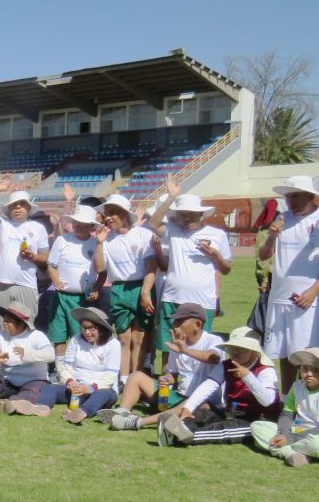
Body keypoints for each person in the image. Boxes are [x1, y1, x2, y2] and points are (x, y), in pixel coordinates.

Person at [257, 175, 319, 394]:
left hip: (307, 301)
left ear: (311, 196)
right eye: (289, 196)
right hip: (279, 297)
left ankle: (306, 400)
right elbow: (263, 256)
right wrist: (272, 236)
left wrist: (315, 290)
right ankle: (286, 400)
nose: (291, 201)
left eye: (296, 196)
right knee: (284, 354)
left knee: (306, 355)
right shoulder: (282, 218)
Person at [146, 181, 232, 369]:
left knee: (199, 345)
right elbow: (153, 223)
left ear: (201, 214)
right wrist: (171, 197)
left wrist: (214, 254)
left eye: (191, 214)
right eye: (182, 214)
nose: (186, 218)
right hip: (172, 298)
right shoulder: (173, 231)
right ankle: (166, 386)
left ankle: (194, 385)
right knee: (169, 347)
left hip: (202, 301)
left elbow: (226, 269)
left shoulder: (217, 235)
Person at [103, 303, 225, 431]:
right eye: (175, 321)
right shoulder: (178, 344)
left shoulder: (213, 340)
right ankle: (123, 411)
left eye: (180, 322)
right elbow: (173, 374)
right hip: (180, 396)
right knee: (136, 376)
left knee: (189, 403)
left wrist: (185, 351)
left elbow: (213, 358)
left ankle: (138, 422)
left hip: (204, 402)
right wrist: (166, 379)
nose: (175, 326)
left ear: (197, 325)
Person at [158, 327, 280, 446]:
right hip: (230, 412)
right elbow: (208, 386)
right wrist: (188, 408)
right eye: (232, 348)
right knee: (202, 413)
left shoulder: (265, 370)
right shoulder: (225, 365)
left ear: (253, 351)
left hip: (257, 420)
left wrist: (248, 377)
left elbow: (267, 401)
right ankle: (179, 427)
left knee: (224, 430)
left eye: (242, 349)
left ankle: (180, 437)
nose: (236, 352)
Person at [250, 348, 319, 468]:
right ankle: (290, 454)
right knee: (257, 426)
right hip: (298, 431)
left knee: (315, 444)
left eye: (316, 371)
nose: (309, 374)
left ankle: (282, 448)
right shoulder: (297, 386)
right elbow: (287, 414)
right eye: (305, 369)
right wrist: (282, 434)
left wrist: (288, 439)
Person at [93, 194, 153, 381]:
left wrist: (145, 292)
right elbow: (100, 267)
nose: (108, 217)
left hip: (140, 286)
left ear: (125, 214)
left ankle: (137, 377)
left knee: (139, 338)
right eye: (106, 213)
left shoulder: (143, 234)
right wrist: (100, 243)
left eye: (112, 213)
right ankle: (124, 379)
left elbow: (151, 266)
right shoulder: (107, 239)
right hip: (119, 289)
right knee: (124, 338)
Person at [0, 174, 50, 319]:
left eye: (22, 204)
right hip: (4, 283)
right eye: (14, 205)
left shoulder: (38, 228)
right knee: (3, 326)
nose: (18, 207)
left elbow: (46, 256)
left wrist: (34, 257)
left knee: (26, 326)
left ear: (29, 208)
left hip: (27, 284)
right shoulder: (2, 224)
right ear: (9, 209)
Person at [31, 307, 121, 423]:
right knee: (51, 387)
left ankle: (81, 412)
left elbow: (110, 377)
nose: (87, 332)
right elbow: (65, 368)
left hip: (100, 389)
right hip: (76, 389)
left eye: (92, 328)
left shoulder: (113, 345)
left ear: (101, 328)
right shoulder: (75, 340)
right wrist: (70, 382)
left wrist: (90, 388)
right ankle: (40, 407)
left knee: (103, 394)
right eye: (84, 328)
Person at [0, 302, 54, 415]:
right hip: (8, 379)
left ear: (21, 324)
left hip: (34, 379)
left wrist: (27, 354)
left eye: (9, 321)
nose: (4, 323)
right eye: (4, 319)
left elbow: (50, 355)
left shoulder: (36, 336)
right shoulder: (1, 336)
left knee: (32, 390)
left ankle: (17, 403)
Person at [46, 204, 101, 355]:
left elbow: (102, 270)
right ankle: (60, 368)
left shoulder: (96, 243)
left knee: (83, 335)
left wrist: (96, 288)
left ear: (90, 225)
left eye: (82, 223)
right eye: (76, 222)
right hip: (61, 295)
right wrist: (55, 280)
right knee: (59, 335)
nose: (77, 225)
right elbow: (51, 265)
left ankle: (82, 365)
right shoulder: (62, 240)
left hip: (83, 298)